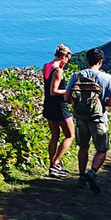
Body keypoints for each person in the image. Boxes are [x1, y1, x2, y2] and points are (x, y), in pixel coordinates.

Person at [65, 47, 111, 194]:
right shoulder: (106, 78)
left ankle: (81, 177)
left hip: (81, 118)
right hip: (99, 119)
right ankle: (92, 172)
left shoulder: (76, 76)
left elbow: (66, 98)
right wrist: (102, 102)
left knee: (83, 147)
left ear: (87, 60)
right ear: (100, 61)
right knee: (101, 149)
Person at [41, 44, 74, 178]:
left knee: (55, 136)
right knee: (70, 135)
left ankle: (52, 165)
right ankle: (55, 163)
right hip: (59, 107)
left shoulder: (47, 66)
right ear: (64, 57)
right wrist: (69, 91)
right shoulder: (58, 71)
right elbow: (54, 91)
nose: (67, 63)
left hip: (48, 105)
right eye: (68, 59)